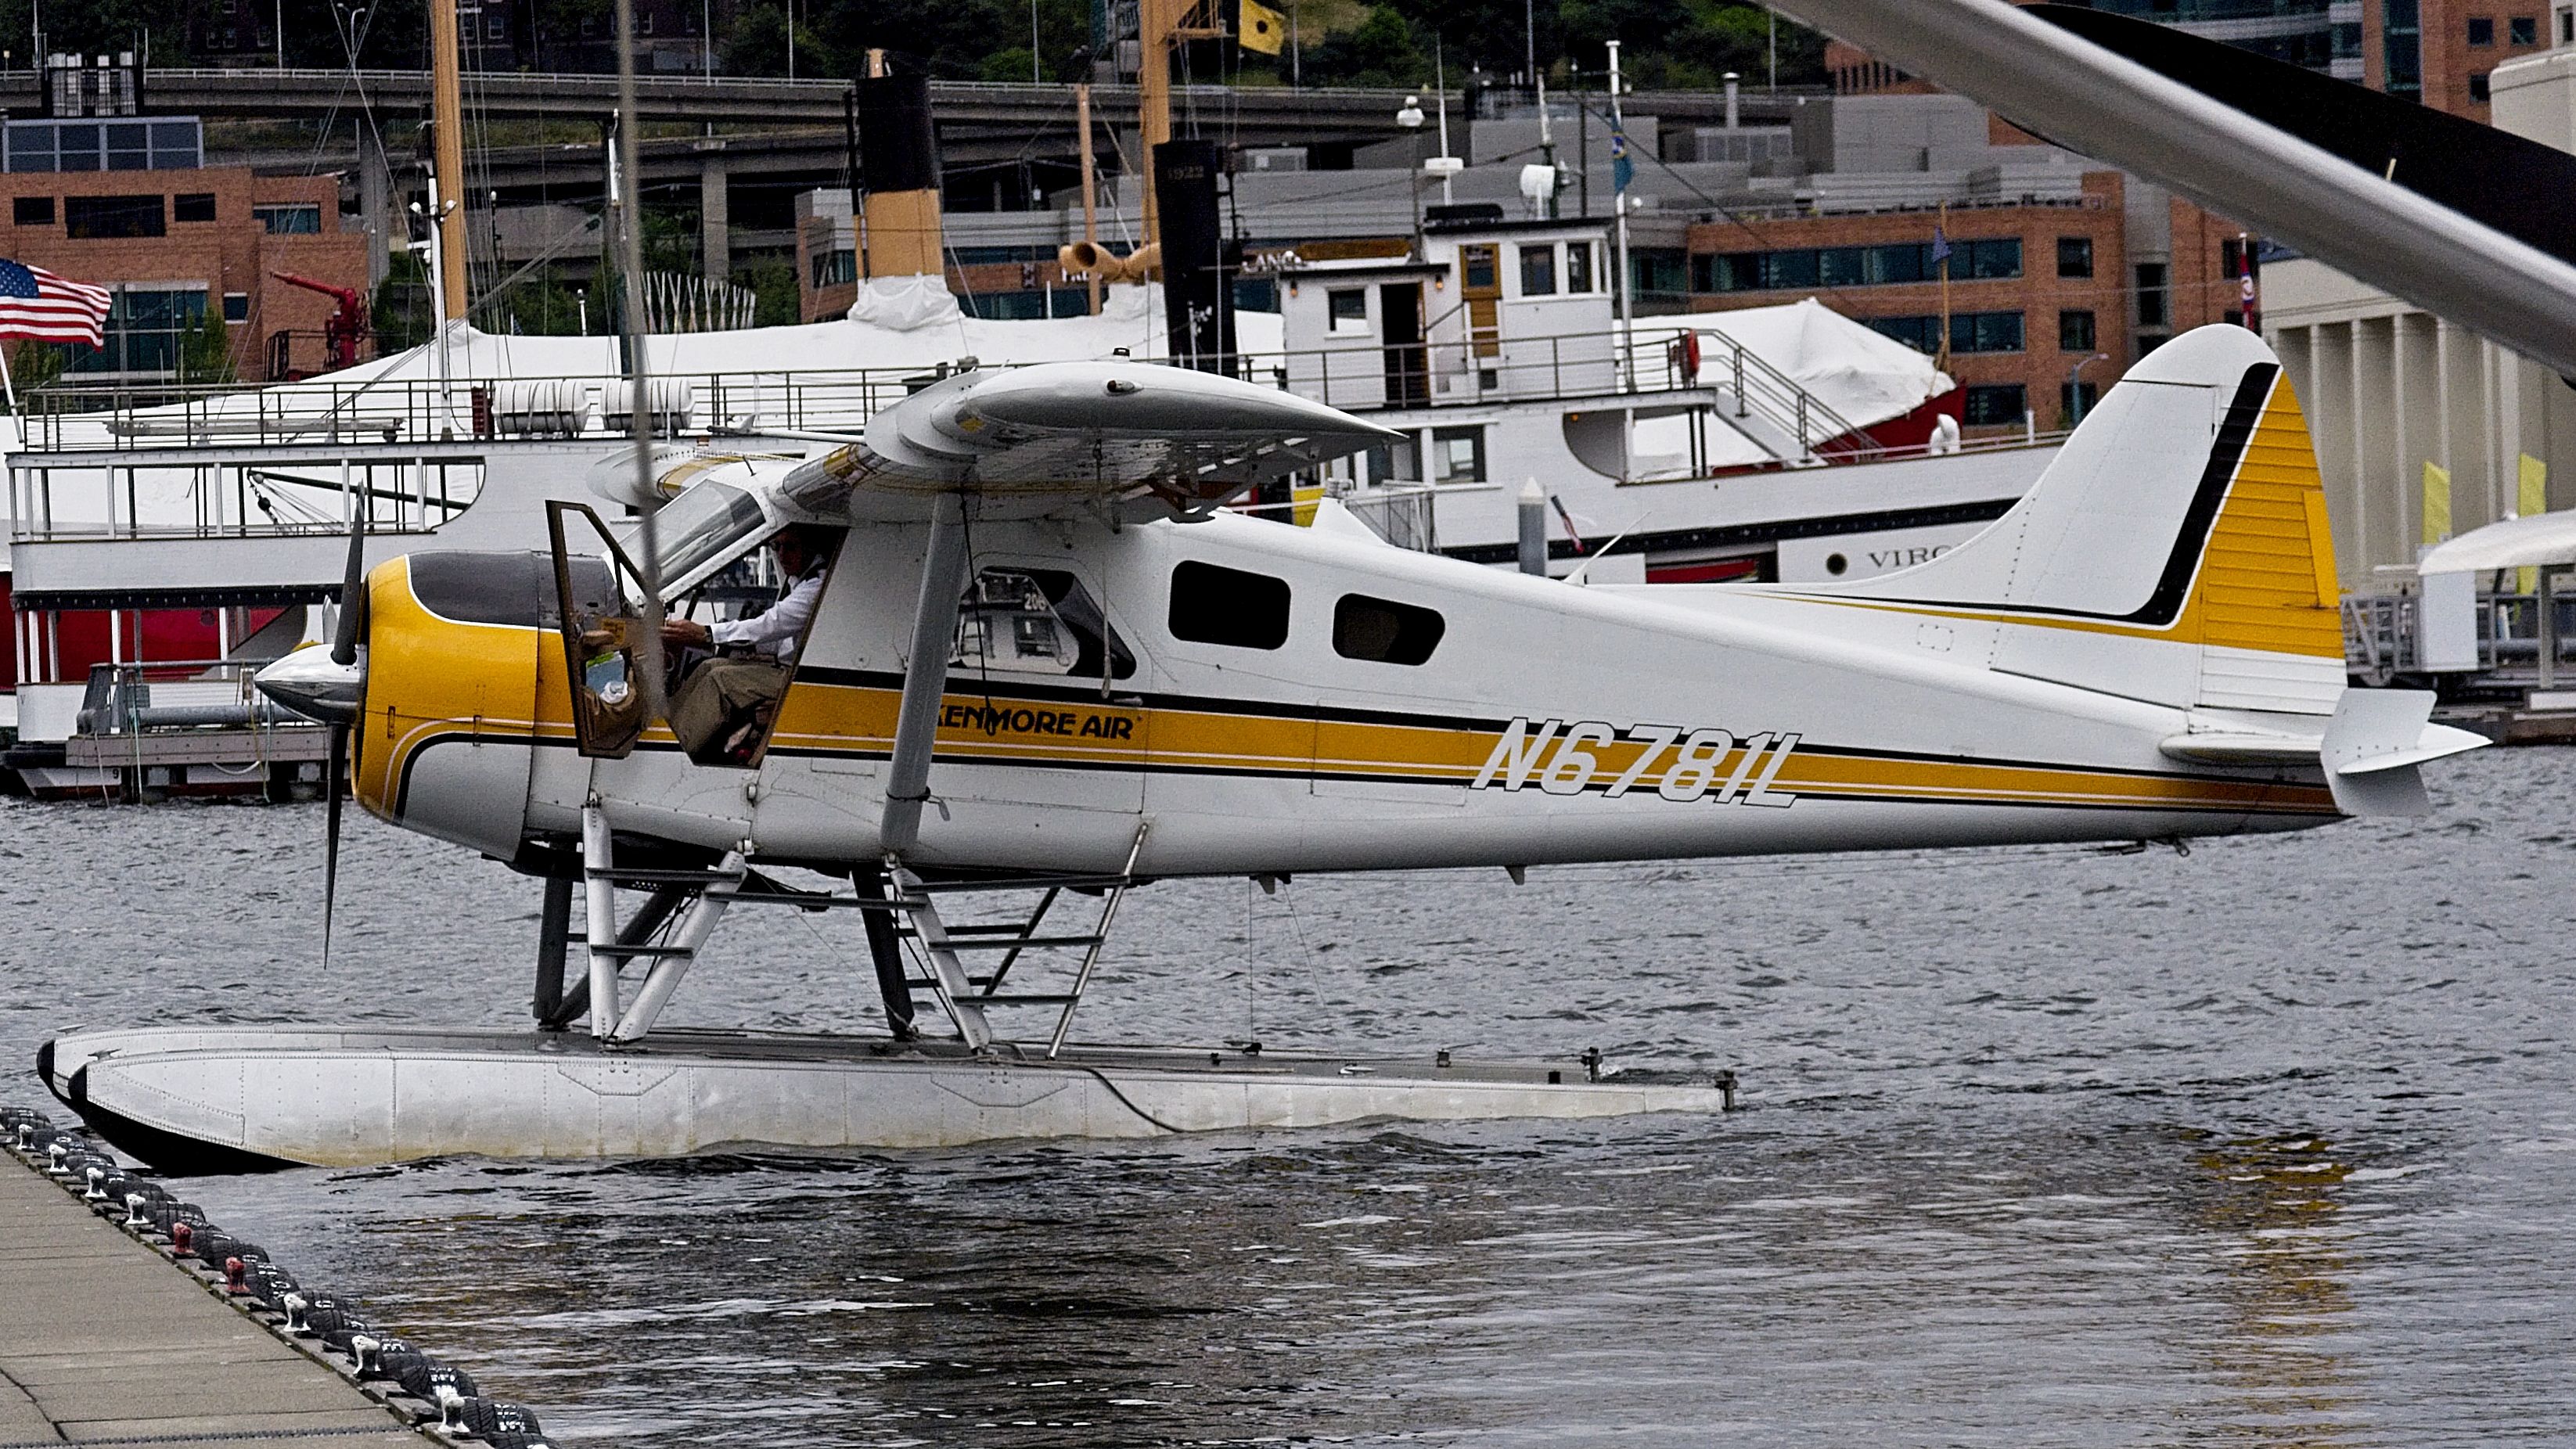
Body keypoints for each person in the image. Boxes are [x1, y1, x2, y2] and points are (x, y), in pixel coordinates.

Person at [662, 525, 833, 763]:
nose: (782, 555)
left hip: (800, 679)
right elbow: (776, 640)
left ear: (809, 548)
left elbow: (769, 625)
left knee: (720, 680)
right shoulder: (800, 583)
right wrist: (718, 644)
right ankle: (661, 727)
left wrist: (708, 634)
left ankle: (670, 753)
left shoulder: (814, 587)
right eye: (777, 546)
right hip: (786, 670)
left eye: (790, 547)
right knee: (711, 666)